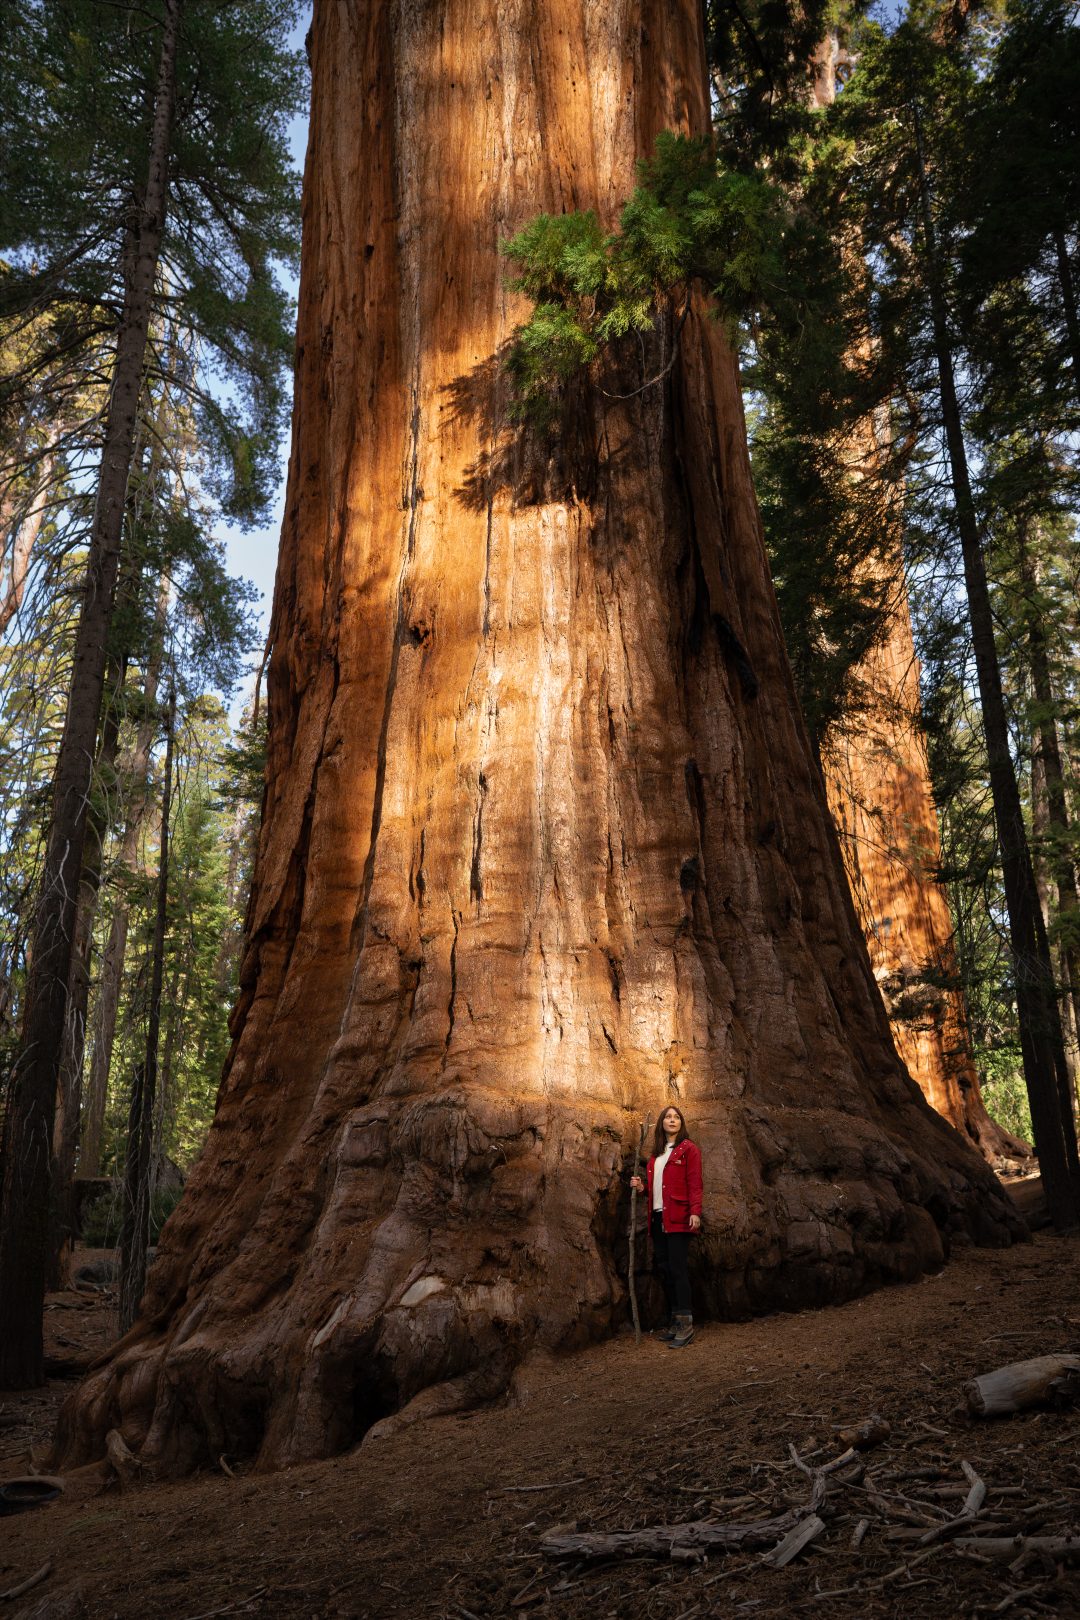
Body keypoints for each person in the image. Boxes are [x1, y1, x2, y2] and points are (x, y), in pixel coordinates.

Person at [631, 1105, 702, 1349]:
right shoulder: (656, 1156)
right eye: (668, 1117)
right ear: (661, 1123)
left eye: (676, 1117)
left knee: (678, 1269)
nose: (672, 1120)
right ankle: (675, 1321)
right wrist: (642, 1187)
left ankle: (686, 1324)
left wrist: (695, 1212)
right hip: (658, 1218)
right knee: (665, 1269)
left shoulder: (689, 1149)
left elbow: (695, 1183)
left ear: (681, 1123)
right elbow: (656, 1189)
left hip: (680, 1217)